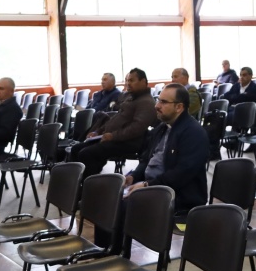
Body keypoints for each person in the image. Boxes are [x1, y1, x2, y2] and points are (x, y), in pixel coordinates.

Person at [124, 84, 209, 218]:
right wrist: (134, 177)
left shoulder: (194, 133)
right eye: (158, 100)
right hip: (154, 187)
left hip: (177, 197)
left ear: (179, 107)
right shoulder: (162, 128)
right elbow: (146, 160)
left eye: (163, 102)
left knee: (122, 205)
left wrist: (147, 185)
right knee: (112, 198)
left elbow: (181, 174)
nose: (156, 106)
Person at [70, 68, 157, 178]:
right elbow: (115, 119)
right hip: (114, 137)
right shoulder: (132, 98)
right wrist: (98, 131)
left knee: (86, 153)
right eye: (127, 80)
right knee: (76, 149)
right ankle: (76, 182)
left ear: (143, 81)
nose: (128, 83)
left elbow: (136, 128)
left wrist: (112, 136)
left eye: (132, 80)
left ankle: (90, 184)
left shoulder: (146, 102)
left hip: (128, 142)